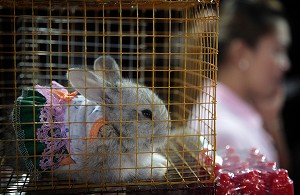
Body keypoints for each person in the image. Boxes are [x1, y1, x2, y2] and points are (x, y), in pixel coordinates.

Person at [190, 0, 291, 170]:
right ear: (241, 53)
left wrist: (272, 122)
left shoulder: (218, 103)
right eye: (277, 50)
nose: (285, 64)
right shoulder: (231, 134)